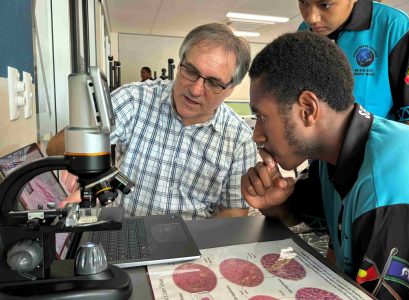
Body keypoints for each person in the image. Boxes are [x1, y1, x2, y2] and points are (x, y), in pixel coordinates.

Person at [242, 32, 409, 299]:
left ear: (308, 109)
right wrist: (276, 204)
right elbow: (312, 217)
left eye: (262, 116)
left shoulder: (392, 189)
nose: (257, 134)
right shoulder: (336, 153)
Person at [47, 23, 257, 219]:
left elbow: (234, 210)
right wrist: (79, 153)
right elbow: (53, 147)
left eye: (213, 82)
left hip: (194, 248)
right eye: (191, 71)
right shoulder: (134, 99)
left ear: (230, 89)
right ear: (180, 64)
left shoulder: (239, 139)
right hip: (124, 234)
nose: (195, 90)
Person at [297, 0, 409, 133]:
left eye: (325, 4)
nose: (311, 18)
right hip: (319, 146)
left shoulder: (393, 25)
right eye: (303, 2)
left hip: (375, 147)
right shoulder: (305, 31)